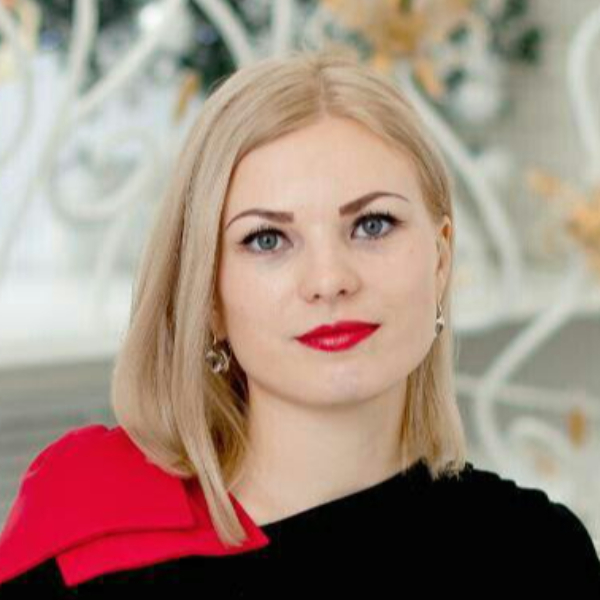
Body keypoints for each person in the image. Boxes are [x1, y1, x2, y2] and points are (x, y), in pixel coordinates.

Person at [0, 48, 598, 597]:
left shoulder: (538, 555)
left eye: (372, 225)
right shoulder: (89, 545)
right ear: (208, 297)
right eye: (267, 239)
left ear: (440, 261)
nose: (329, 279)